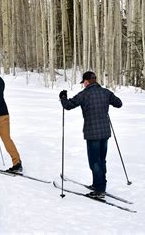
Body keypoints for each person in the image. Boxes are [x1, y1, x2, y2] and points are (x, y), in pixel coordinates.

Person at [59, 71, 122, 199]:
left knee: (94, 162)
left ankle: (99, 190)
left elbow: (68, 105)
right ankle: (98, 184)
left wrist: (63, 97)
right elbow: (119, 103)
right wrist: (107, 102)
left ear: (87, 82)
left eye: (84, 83)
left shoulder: (84, 94)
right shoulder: (106, 93)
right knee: (101, 160)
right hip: (105, 132)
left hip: (92, 134)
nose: (83, 85)